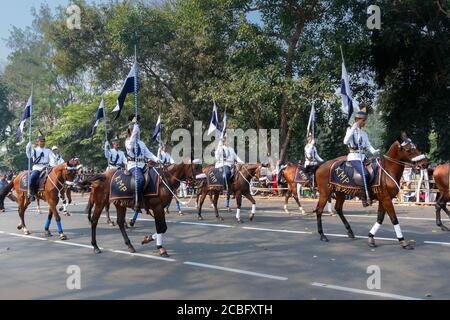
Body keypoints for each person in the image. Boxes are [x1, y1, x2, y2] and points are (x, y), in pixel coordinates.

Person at [343, 104, 380, 207]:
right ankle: (364, 198)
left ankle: (373, 193)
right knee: (365, 174)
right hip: (353, 157)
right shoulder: (350, 130)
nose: (364, 122)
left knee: (375, 169)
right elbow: (345, 141)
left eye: (365, 120)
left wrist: (375, 151)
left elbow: (368, 145)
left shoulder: (364, 133)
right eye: (363, 120)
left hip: (362, 157)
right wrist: (353, 128)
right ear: (358, 120)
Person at [125, 114, 159, 211]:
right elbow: (130, 147)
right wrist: (134, 132)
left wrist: (157, 159)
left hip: (143, 165)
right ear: (130, 130)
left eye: (136, 130)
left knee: (155, 176)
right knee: (140, 179)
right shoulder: (127, 141)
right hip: (133, 165)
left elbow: (148, 154)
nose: (136, 131)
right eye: (133, 130)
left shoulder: (141, 143)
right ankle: (135, 200)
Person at [26, 135, 52, 201]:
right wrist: (28, 148)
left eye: (43, 141)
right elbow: (29, 156)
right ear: (37, 142)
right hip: (37, 167)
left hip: (46, 167)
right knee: (33, 178)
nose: (42, 143)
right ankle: (32, 193)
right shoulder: (34, 150)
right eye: (40, 141)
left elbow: (51, 159)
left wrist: (53, 165)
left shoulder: (48, 150)